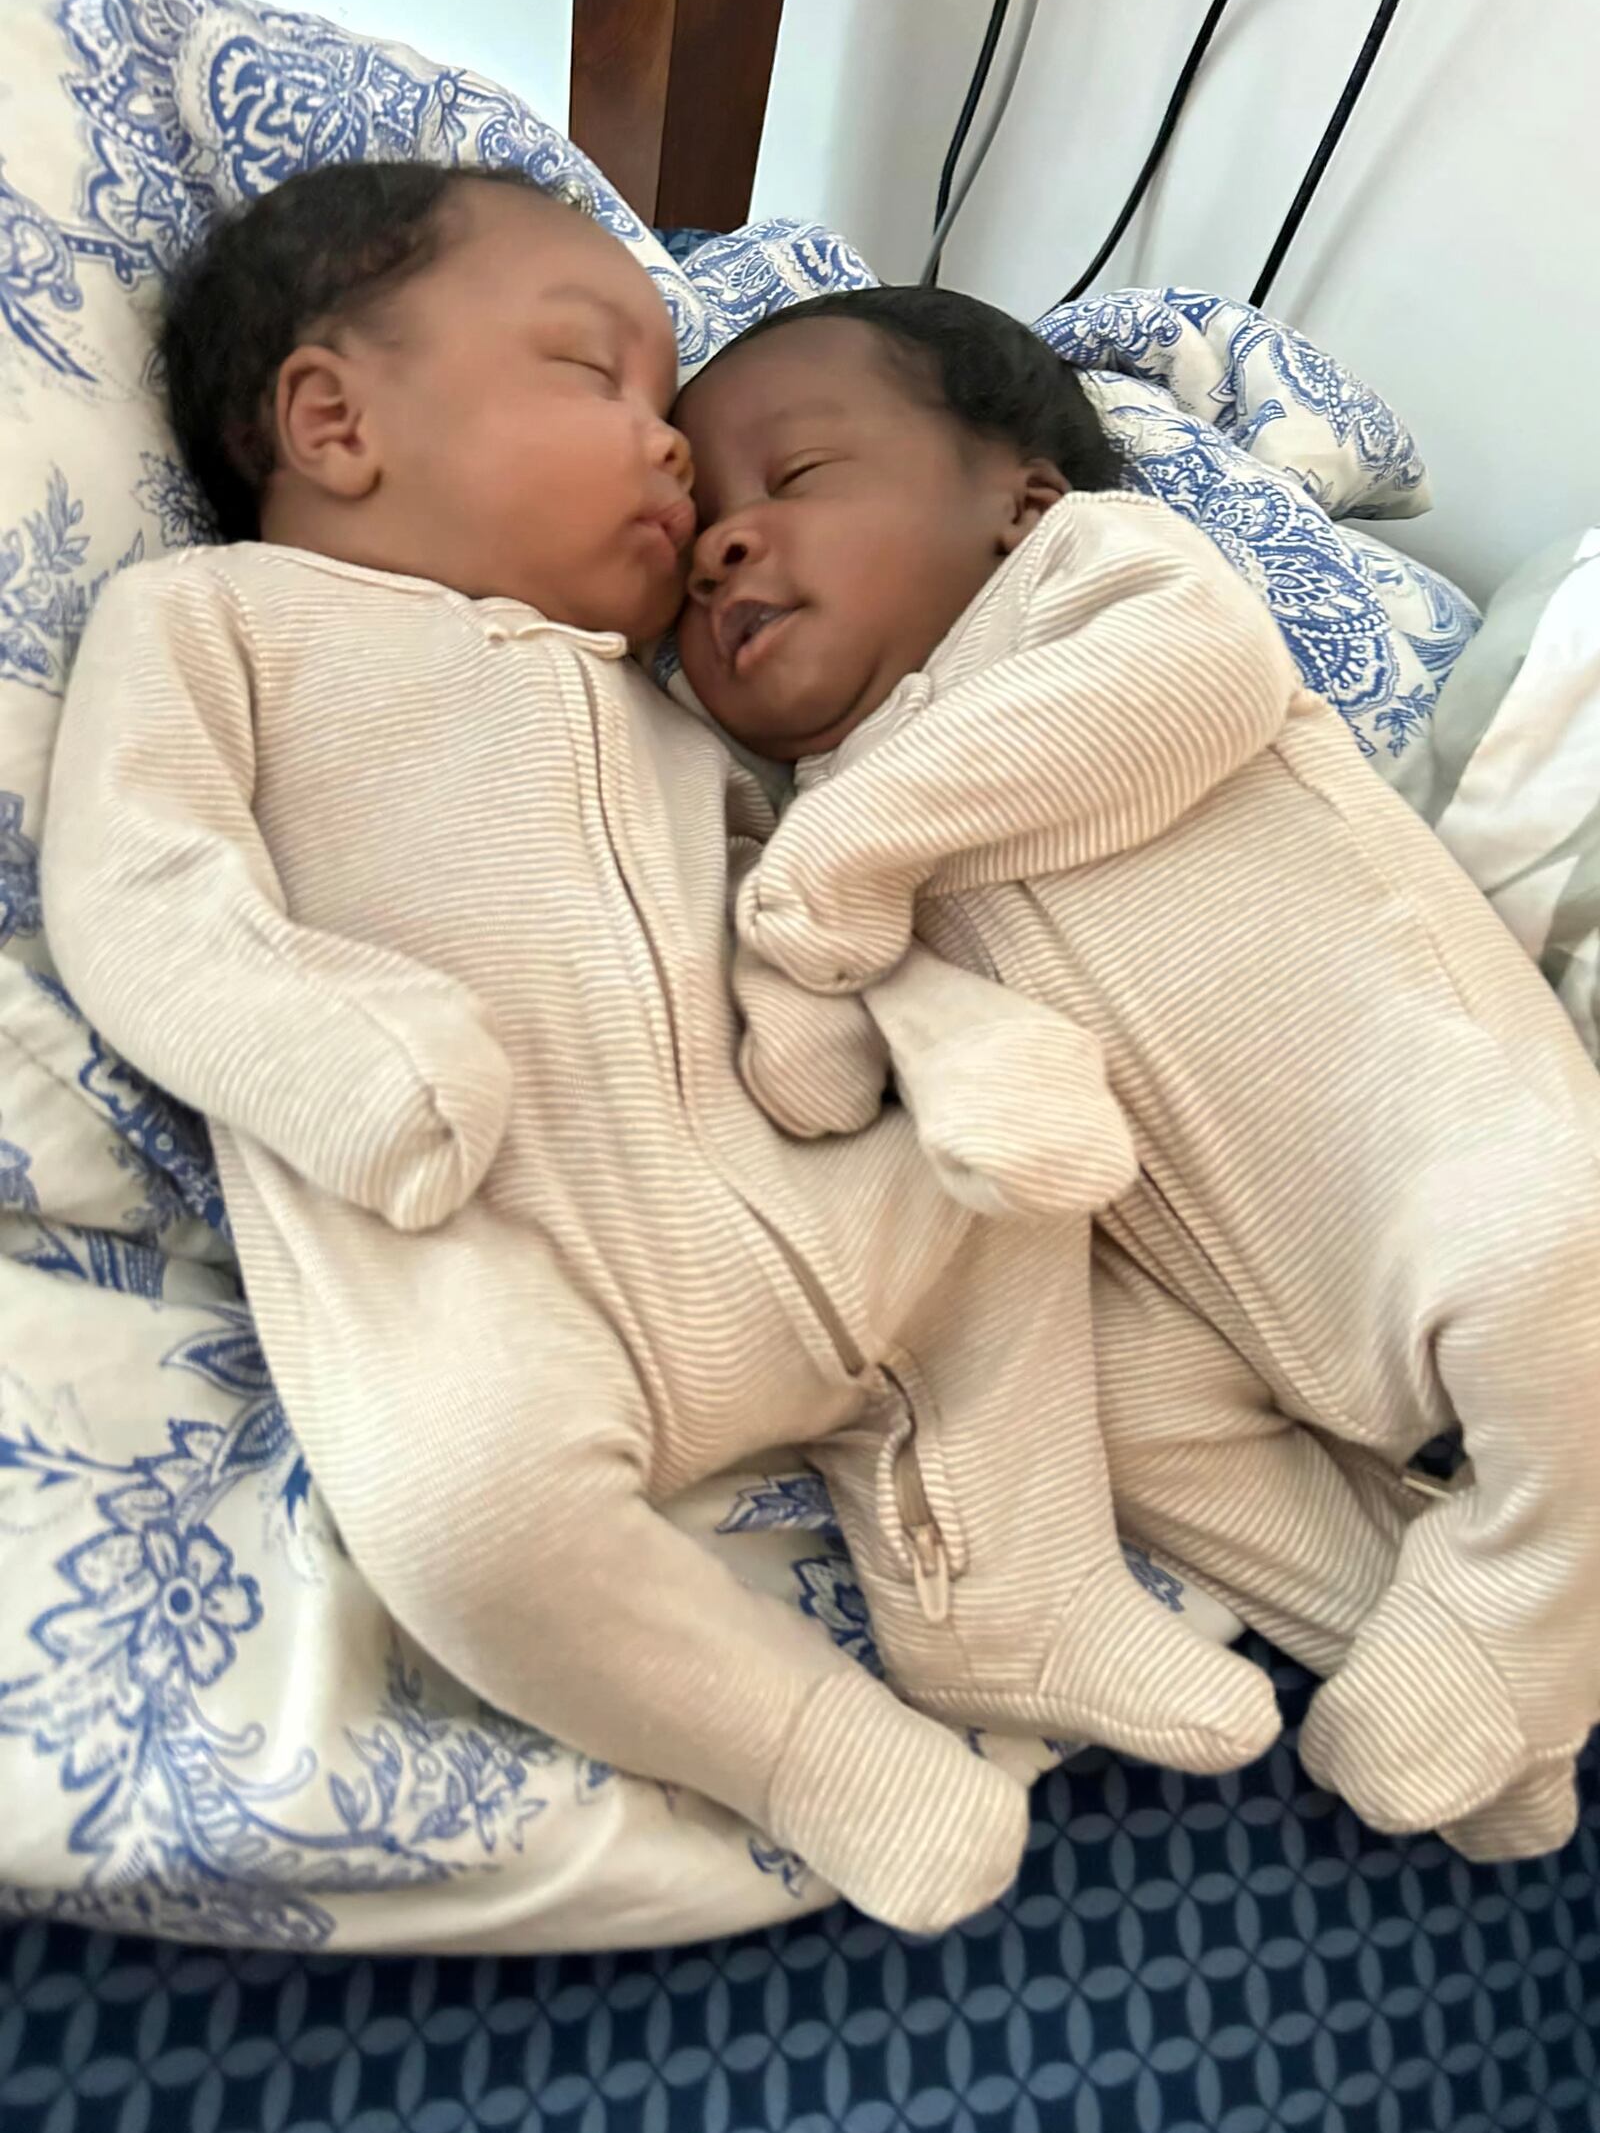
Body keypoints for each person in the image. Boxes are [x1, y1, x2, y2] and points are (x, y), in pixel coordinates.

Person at [41, 166, 1285, 1934]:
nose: (673, 448)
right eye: (593, 374)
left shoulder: (663, 708)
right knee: (458, 1510)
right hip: (484, 1242)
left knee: (1018, 1192)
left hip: (789, 1195)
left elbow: (793, 909)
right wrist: (332, 1048)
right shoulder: (219, 625)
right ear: (333, 419)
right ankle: (803, 1746)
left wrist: (940, 1036)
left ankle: (1017, 1579)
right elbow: (139, 884)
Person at [675, 285, 1600, 1860]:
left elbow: (1197, 687)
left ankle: (1539, 1590)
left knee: (1553, 1267)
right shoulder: (815, 794)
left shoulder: (1100, 583)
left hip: (1415, 1123)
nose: (722, 543)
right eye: (693, 529)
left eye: (796, 479)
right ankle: (1423, 1622)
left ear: (1017, 495)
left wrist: (846, 857)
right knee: (1113, 1414)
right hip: (1183, 1273)